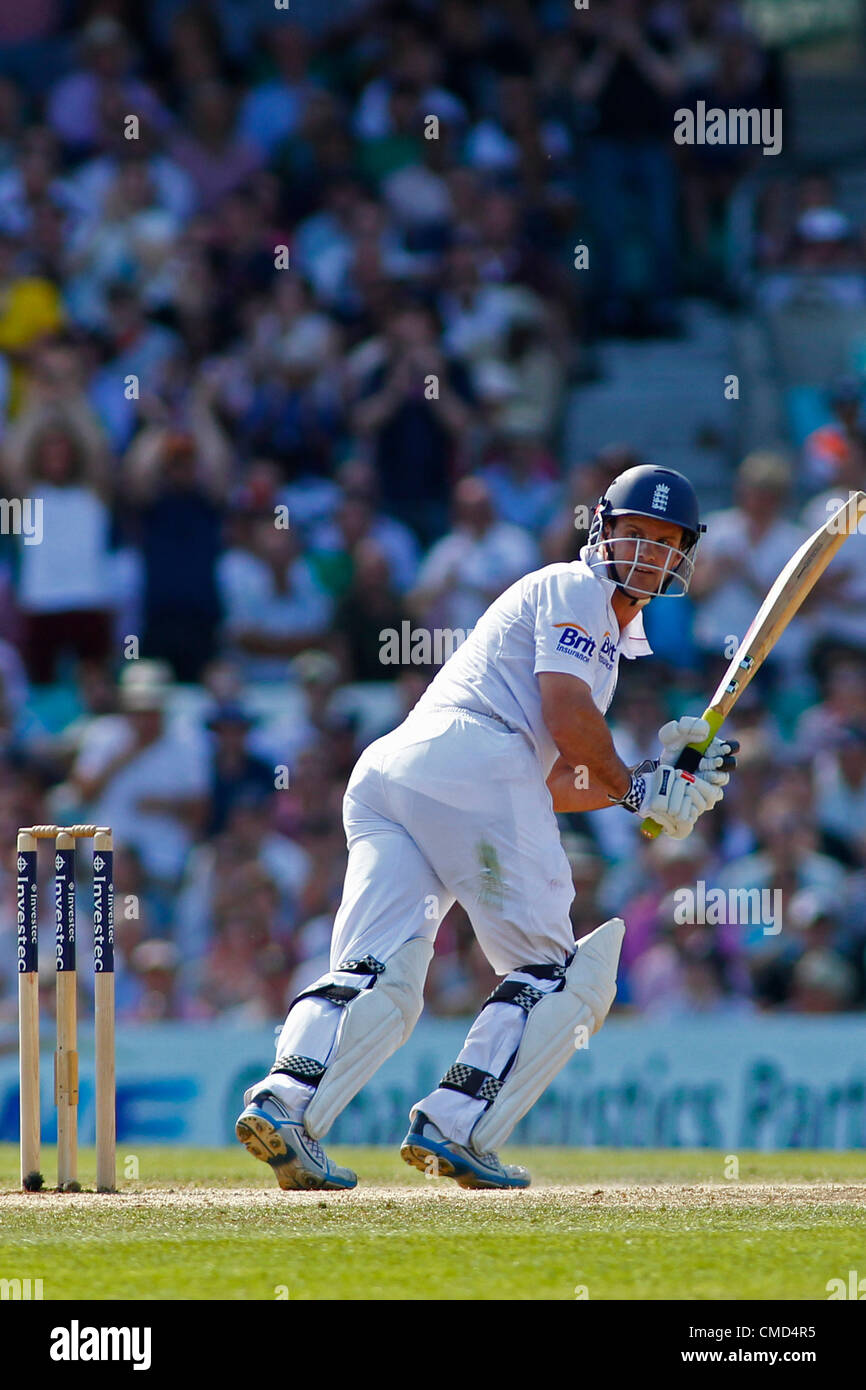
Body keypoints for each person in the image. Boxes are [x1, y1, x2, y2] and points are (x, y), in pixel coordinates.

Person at [235, 465, 737, 1191]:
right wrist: (636, 789)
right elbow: (565, 720)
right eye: (637, 534)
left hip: (400, 772)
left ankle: (286, 1101)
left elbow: (553, 781)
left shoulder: (596, 634)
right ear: (600, 527)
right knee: (554, 973)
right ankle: (458, 1123)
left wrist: (653, 789)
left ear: (683, 558)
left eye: (666, 542)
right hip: (473, 758)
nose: (649, 553)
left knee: (379, 971)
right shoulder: (577, 589)